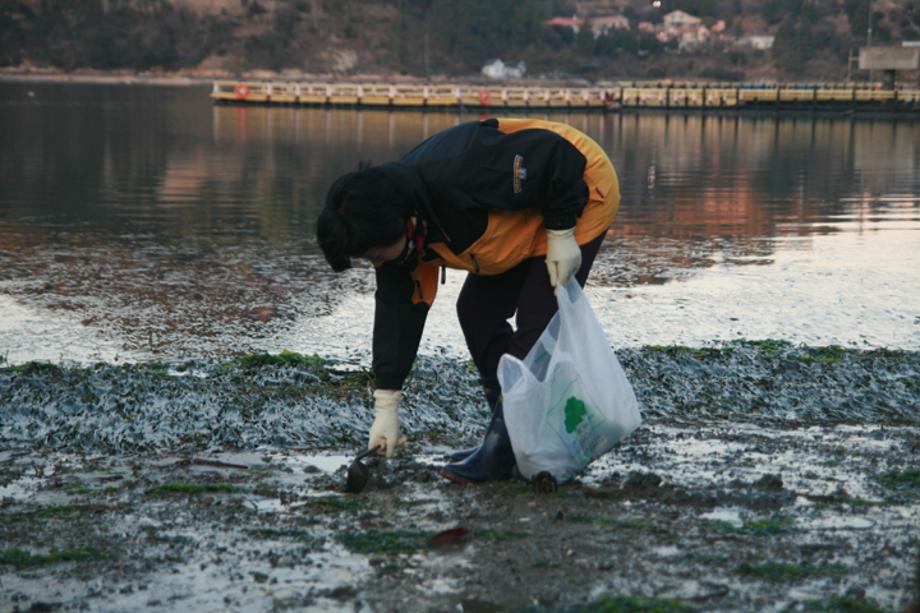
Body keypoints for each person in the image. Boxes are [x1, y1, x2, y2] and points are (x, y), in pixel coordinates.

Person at [316, 117, 620, 484]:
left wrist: (561, 231)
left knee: (535, 329)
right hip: (520, 223)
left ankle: (504, 446)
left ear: (401, 223)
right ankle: (515, 434)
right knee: (476, 312)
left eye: (376, 255)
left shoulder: (461, 169)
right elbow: (398, 316)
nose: (377, 264)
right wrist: (386, 405)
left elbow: (558, 158)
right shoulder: (399, 237)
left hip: (575, 190)